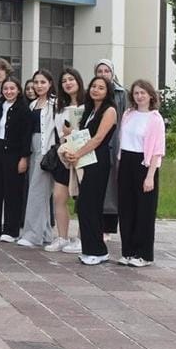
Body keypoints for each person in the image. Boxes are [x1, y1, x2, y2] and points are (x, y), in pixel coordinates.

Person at [63, 76, 118, 265]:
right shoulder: (89, 110)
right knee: (84, 206)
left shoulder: (109, 110)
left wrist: (77, 154)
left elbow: (98, 138)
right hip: (85, 160)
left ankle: (99, 250)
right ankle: (89, 248)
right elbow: (83, 135)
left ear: (107, 91)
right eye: (93, 86)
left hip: (98, 160)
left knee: (92, 206)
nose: (96, 90)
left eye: (101, 87)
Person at [116, 79, 166, 267]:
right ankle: (127, 251)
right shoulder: (128, 114)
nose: (139, 96)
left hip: (144, 165)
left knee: (144, 211)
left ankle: (143, 254)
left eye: (143, 93)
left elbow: (157, 150)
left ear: (150, 95)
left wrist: (150, 175)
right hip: (126, 163)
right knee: (126, 209)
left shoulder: (155, 118)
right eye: (136, 93)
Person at [0, 77, 30, 242]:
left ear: (18, 90)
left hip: (14, 153)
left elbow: (26, 136)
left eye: (12, 89)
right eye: (6, 89)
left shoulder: (24, 109)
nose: (9, 92)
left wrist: (24, 158)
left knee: (12, 192)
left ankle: (11, 230)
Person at [46, 68, 86, 253]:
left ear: (78, 81)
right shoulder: (59, 108)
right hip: (64, 156)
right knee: (59, 197)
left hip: (84, 157)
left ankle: (80, 238)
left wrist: (74, 134)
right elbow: (59, 133)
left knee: (83, 200)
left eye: (71, 79)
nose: (68, 83)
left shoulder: (88, 106)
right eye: (64, 81)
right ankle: (62, 237)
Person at [18, 70, 58, 248]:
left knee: (37, 192)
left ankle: (32, 235)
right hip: (33, 150)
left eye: (43, 82)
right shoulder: (33, 104)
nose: (39, 85)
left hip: (47, 150)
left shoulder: (55, 104)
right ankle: (45, 232)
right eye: (36, 82)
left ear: (50, 83)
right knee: (39, 192)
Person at [94, 59, 127, 236]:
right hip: (96, 145)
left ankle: (108, 228)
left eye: (107, 71)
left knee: (113, 187)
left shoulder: (122, 93)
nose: (103, 74)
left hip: (115, 144)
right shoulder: (92, 92)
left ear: (112, 73)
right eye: (100, 71)